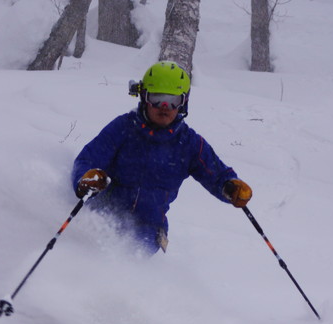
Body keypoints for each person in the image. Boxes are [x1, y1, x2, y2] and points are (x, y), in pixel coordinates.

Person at [71, 61, 252, 254]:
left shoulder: (189, 144)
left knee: (130, 268)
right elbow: (87, 161)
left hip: (147, 232)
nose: (164, 107)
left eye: (173, 100)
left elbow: (217, 176)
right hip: (102, 218)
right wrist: (85, 180)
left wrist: (231, 187)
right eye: (157, 98)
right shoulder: (123, 128)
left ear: (183, 103)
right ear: (144, 97)